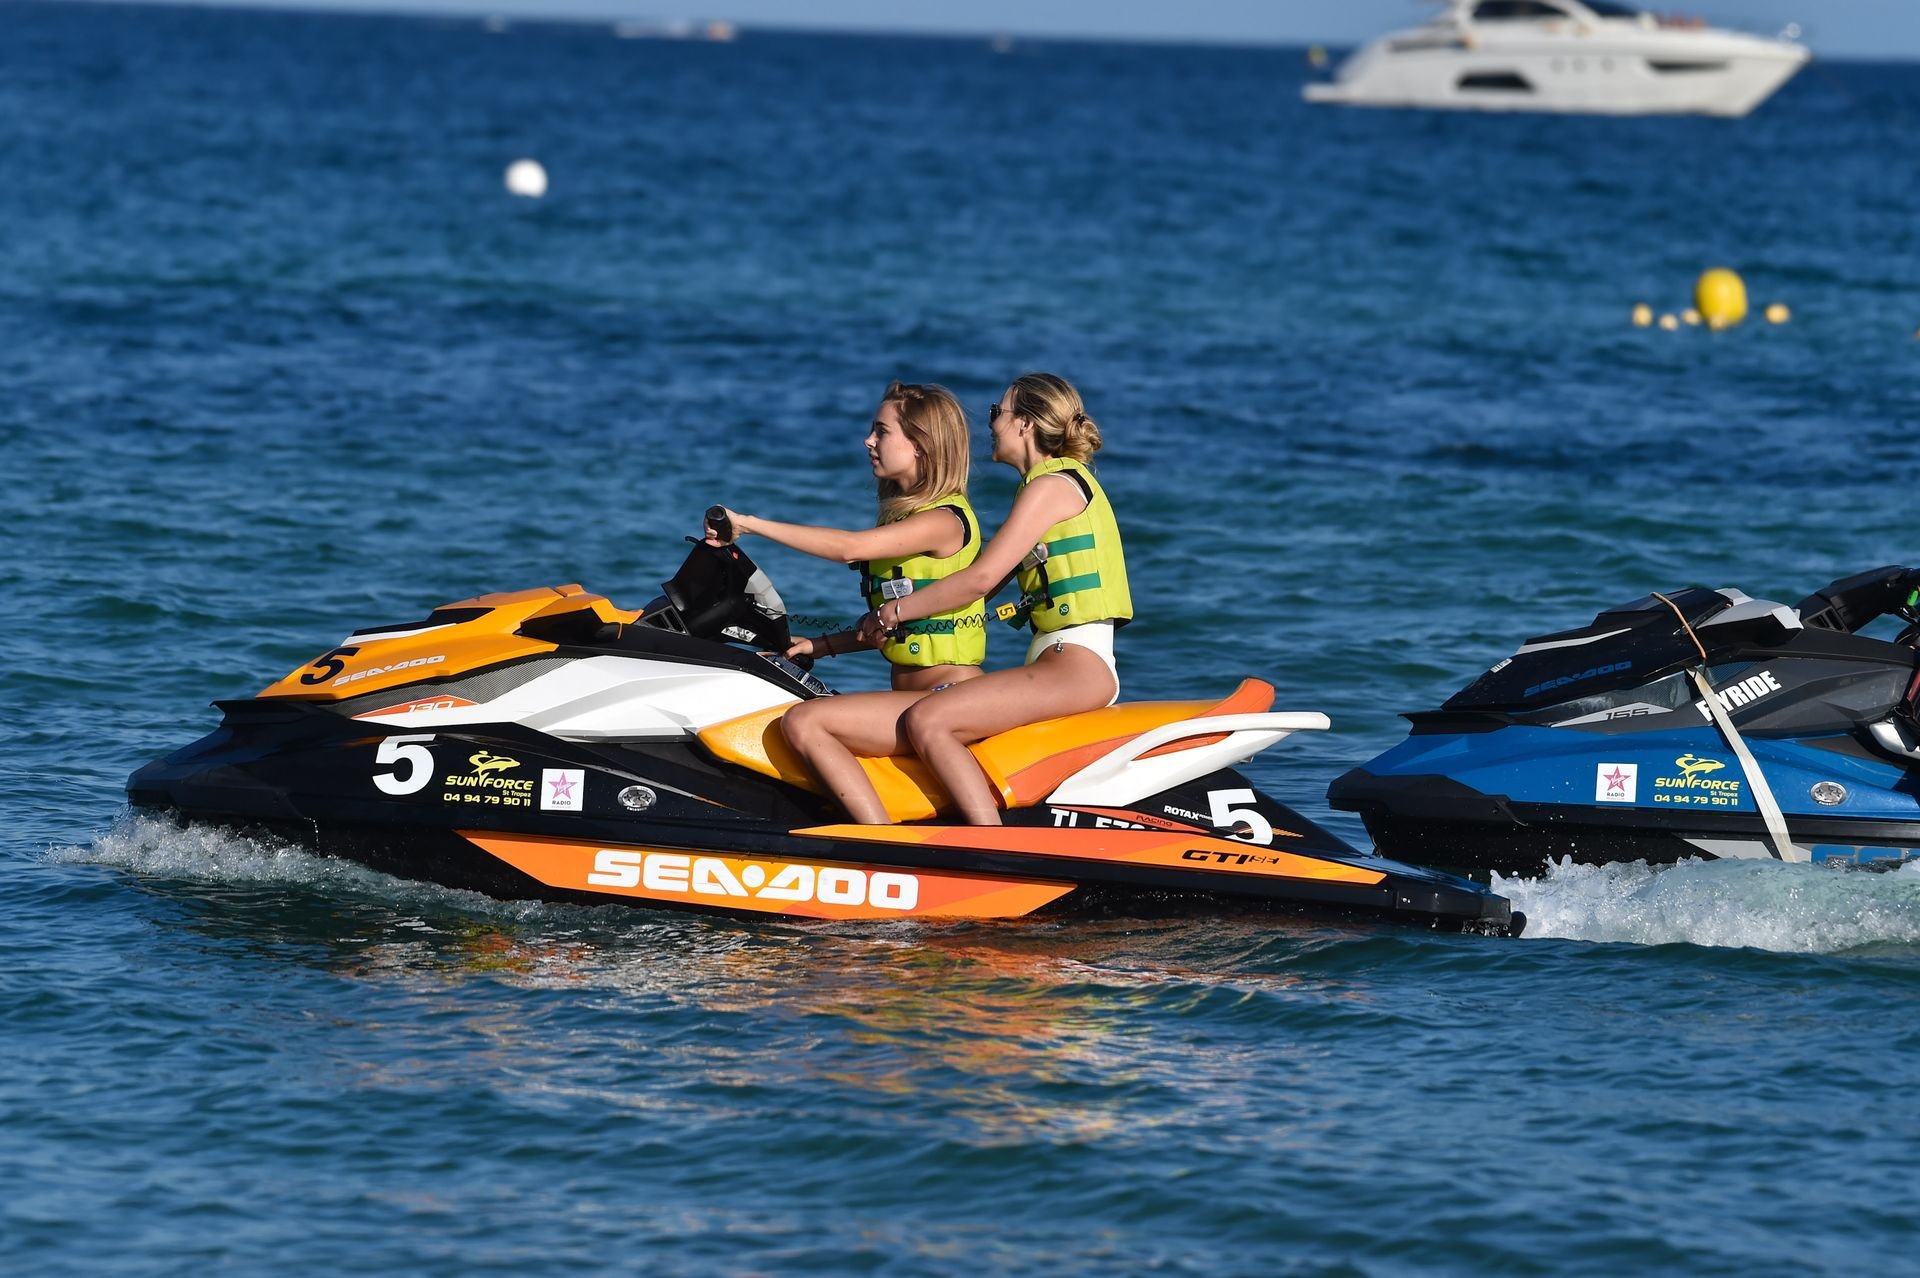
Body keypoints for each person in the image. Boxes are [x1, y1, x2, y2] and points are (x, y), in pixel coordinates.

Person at [856, 372, 1130, 826]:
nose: (990, 423)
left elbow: (980, 579)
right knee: (932, 718)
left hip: (1076, 665)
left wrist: (896, 610)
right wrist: (840, 641)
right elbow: (970, 592)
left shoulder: (1052, 486)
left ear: (1025, 423)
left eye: (996, 412)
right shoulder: (1050, 485)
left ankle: (990, 844)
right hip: (1059, 660)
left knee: (930, 720)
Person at [706, 381, 987, 822]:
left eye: (882, 432)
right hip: (913, 698)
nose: (868, 441)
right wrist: (819, 646)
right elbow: (890, 626)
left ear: (920, 445)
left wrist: (749, 524)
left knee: (807, 721)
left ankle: (878, 843)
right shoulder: (906, 518)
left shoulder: (945, 521)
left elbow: (848, 548)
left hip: (947, 696)